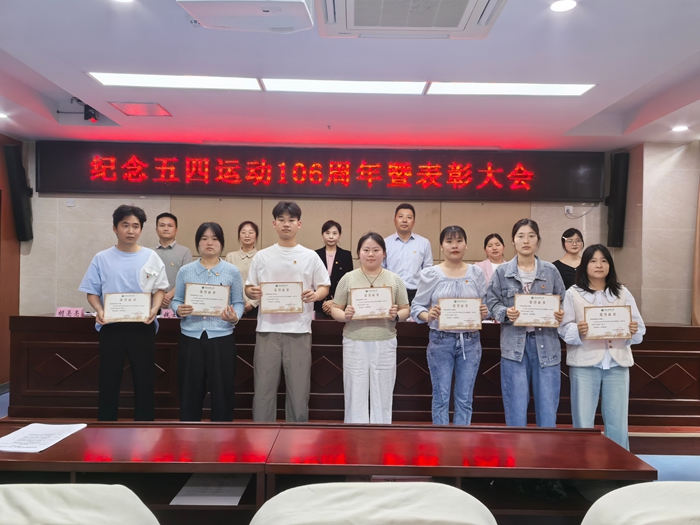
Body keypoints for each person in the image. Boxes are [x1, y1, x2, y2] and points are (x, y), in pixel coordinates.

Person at [79, 205, 168, 421]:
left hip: (143, 326)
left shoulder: (151, 256)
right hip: (111, 327)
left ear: (141, 230)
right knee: (109, 379)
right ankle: (106, 425)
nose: (130, 231)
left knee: (144, 379)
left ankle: (144, 426)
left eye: (135, 226)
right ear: (115, 228)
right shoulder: (101, 258)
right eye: (125, 225)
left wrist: (154, 309)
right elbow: (92, 291)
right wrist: (99, 310)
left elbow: (159, 289)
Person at [245, 201, 330, 422]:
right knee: (263, 389)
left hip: (299, 330)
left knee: (299, 391)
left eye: (291, 220)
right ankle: (262, 434)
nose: (286, 224)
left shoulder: (310, 256)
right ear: (274, 224)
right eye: (281, 220)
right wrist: (252, 292)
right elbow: (249, 286)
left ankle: (297, 435)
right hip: (267, 330)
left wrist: (316, 295)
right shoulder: (262, 256)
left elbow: (324, 285)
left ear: (299, 224)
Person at [558, 244, 645, 450]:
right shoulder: (573, 293)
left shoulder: (622, 293)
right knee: (583, 421)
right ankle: (583, 465)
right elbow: (563, 328)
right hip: (585, 364)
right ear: (584, 265)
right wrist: (578, 329)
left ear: (610, 265)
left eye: (604, 260)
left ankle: (620, 464)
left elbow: (639, 328)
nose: (599, 265)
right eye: (593, 261)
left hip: (617, 364)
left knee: (618, 422)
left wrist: (632, 330)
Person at [485, 219, 565, 428]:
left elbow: (563, 301)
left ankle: (545, 449)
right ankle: (516, 450)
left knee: (547, 413)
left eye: (531, 236)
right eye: (521, 236)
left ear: (538, 240)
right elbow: (491, 301)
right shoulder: (502, 272)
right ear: (513, 241)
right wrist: (505, 313)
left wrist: (560, 314)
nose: (526, 240)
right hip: (514, 348)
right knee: (516, 411)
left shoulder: (551, 271)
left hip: (547, 347)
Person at [411, 226, 489, 426]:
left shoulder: (476, 273)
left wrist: (484, 311)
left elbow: (486, 304)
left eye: (459, 240)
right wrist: (428, 315)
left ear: (466, 245)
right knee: (441, 397)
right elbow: (416, 306)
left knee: (465, 399)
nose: (454, 245)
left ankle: (462, 441)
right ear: (441, 246)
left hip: (470, 342)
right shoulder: (431, 274)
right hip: (440, 341)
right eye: (449, 241)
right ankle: (441, 441)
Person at [330, 232, 410, 424]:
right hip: (354, 341)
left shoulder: (394, 279)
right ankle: (355, 433)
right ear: (359, 253)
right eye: (366, 250)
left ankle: (381, 432)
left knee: (383, 392)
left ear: (384, 253)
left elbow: (406, 308)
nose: (371, 254)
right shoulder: (348, 278)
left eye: (376, 250)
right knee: (355, 391)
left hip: (385, 341)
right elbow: (335, 308)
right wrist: (344, 315)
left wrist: (396, 315)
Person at [171, 222, 245, 422]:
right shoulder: (186, 270)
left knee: (222, 391)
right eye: (204, 238)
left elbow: (238, 302)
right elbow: (176, 300)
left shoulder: (232, 271)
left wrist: (235, 317)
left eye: (214, 238)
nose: (209, 243)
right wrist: (178, 309)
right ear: (198, 243)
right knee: (190, 390)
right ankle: (189, 432)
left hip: (221, 338)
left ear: (221, 243)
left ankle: (222, 434)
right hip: (191, 338)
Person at [383, 203, 432, 304]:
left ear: (413, 222)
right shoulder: (385, 243)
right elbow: (381, 269)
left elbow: (428, 271)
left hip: (416, 294)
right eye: (401, 216)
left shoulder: (424, 243)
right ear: (394, 221)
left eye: (409, 217)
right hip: (391, 293)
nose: (404, 220)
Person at [314, 220, 353, 319]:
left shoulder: (346, 255)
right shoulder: (315, 255)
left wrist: (334, 301)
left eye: (334, 233)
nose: (331, 237)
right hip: (319, 304)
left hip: (340, 304)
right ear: (322, 235)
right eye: (327, 233)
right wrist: (324, 302)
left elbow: (349, 282)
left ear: (339, 235)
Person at [154, 212, 193, 310]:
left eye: (170, 226)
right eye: (162, 225)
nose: (166, 228)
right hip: (152, 303)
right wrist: (159, 296)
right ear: (156, 229)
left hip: (175, 304)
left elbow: (187, 278)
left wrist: (168, 296)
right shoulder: (149, 252)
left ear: (176, 230)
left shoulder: (185, 252)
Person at [225, 221, 260, 318]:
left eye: (251, 232)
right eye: (243, 232)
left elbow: (265, 283)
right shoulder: (230, 256)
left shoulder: (261, 257)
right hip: (234, 306)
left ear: (256, 236)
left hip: (257, 307)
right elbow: (226, 283)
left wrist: (252, 303)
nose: (247, 235)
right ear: (239, 236)